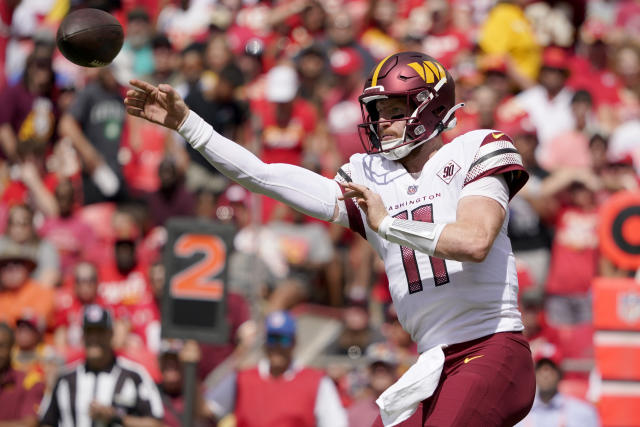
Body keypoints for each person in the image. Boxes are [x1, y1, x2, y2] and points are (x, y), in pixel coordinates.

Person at [125, 50, 535, 425]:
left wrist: (388, 224)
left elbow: (475, 241)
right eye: (377, 112)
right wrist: (189, 125)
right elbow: (264, 176)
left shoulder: (476, 148)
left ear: (431, 106)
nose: (381, 123)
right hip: (433, 362)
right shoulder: (369, 175)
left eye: (394, 109)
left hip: (491, 345)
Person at [204, 311, 347, 427]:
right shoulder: (242, 378)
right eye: (272, 339)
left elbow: (336, 423)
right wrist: (192, 367)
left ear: (294, 342)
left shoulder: (316, 381)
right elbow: (207, 410)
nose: (277, 346)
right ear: (265, 343)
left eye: (284, 339)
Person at [40, 304, 164, 427]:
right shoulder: (65, 378)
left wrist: (117, 417)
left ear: (111, 334)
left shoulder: (134, 375)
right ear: (83, 336)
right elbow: (47, 421)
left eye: (100, 332)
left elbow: (156, 423)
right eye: (90, 332)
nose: (94, 338)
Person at [515, 344, 600, 427]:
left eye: (551, 368)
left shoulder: (583, 413)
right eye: (541, 368)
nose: (546, 374)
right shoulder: (517, 414)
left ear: (560, 373)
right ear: (534, 373)